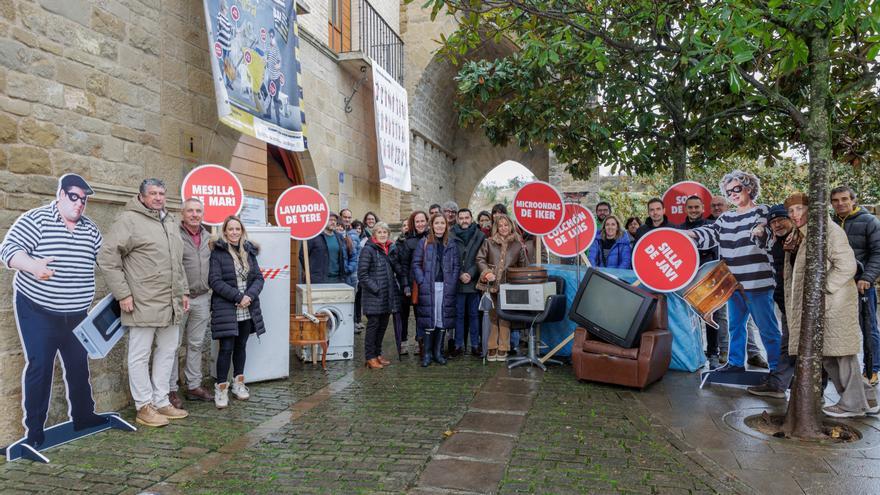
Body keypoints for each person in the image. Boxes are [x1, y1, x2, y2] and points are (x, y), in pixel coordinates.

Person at [0, 174, 109, 447]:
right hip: (37, 308)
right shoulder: (35, 220)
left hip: (75, 312)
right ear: (60, 194)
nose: (79, 204)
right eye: (74, 197)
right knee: (41, 365)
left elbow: (107, 259)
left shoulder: (90, 229)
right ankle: (34, 431)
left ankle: (83, 416)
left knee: (77, 364)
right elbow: (8, 250)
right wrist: (34, 266)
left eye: (84, 200)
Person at [99, 178, 190, 427]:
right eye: (153, 193)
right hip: (142, 301)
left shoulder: (169, 220)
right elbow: (107, 258)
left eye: (162, 193)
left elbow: (177, 262)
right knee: (139, 355)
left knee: (168, 350)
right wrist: (123, 294)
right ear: (141, 196)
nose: (158, 197)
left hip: (170, 302)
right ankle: (144, 406)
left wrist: (183, 292)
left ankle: (161, 401)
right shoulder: (129, 220)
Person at [781, 193, 877, 417]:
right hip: (822, 304)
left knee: (841, 355)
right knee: (830, 354)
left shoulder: (828, 230)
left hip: (834, 302)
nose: (794, 215)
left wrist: (822, 290)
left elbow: (846, 265)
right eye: (790, 211)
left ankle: (853, 404)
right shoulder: (801, 234)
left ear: (811, 210)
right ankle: (867, 399)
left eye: (799, 209)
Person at [686, 170, 780, 374]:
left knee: (767, 328)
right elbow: (710, 233)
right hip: (733, 283)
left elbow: (769, 230)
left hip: (758, 283)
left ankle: (777, 369)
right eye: (729, 192)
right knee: (735, 327)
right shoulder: (725, 218)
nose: (733, 194)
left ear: (749, 188)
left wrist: (762, 230)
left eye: (737, 189)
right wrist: (691, 234)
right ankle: (735, 363)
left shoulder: (762, 211)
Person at [208, 216, 265, 409]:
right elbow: (214, 281)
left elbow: (258, 278)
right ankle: (221, 389)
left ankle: (238, 384)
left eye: (237, 229)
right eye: (230, 229)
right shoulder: (218, 252)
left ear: (242, 231)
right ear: (224, 232)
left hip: (247, 308)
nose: (234, 232)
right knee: (226, 349)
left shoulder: (249, 251)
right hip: (227, 308)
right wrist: (238, 297)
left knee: (241, 346)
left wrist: (248, 296)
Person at [831, 185, 880, 385]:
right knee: (838, 329)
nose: (840, 203)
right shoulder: (830, 222)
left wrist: (867, 277)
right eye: (835, 200)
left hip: (861, 284)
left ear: (853, 200)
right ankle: (841, 374)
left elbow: (878, 252)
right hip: (837, 286)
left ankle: (871, 371)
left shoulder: (869, 221)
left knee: (868, 328)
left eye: (844, 199)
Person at [747, 205, 797, 398]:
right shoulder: (778, 244)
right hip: (786, 303)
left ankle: (855, 395)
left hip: (802, 304)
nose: (777, 225)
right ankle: (778, 385)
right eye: (773, 222)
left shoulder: (800, 239)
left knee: (818, 353)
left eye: (780, 220)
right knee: (787, 345)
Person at [170, 198, 214, 408]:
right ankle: (169, 389)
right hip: (180, 298)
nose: (195, 214)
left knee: (195, 344)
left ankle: (193, 385)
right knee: (172, 345)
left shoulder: (208, 237)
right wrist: (181, 292)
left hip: (203, 297)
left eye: (198, 211)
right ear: (182, 214)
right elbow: (173, 266)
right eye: (190, 211)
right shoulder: (174, 235)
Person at [476, 214, 528, 362]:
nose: (503, 228)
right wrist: (486, 272)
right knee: (492, 317)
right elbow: (480, 259)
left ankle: (503, 347)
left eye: (506, 225)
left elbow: (522, 266)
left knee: (505, 317)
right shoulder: (489, 242)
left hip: (508, 287)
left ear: (510, 226)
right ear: (496, 227)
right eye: (500, 226)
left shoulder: (518, 245)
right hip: (490, 286)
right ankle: (491, 346)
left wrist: (517, 283)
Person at [413, 214, 460, 367]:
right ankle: (426, 354)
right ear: (431, 225)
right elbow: (416, 264)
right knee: (429, 319)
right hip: (429, 287)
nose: (440, 226)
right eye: (437, 223)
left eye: (442, 223)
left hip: (445, 287)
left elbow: (456, 266)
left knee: (441, 318)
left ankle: (438, 352)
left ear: (446, 225)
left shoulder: (451, 244)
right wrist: (422, 281)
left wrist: (452, 282)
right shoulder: (424, 242)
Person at [358, 222, 401, 369]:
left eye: (385, 232)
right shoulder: (368, 250)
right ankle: (370, 357)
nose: (382, 234)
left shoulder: (387, 249)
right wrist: (376, 289)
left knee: (382, 326)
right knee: (373, 327)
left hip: (387, 296)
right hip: (374, 297)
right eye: (379, 232)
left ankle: (377, 354)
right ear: (374, 234)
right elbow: (362, 275)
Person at [391, 211, 429, 355]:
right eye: (417, 221)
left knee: (421, 314)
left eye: (422, 221)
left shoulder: (431, 238)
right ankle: (403, 341)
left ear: (426, 221)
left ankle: (421, 341)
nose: (420, 224)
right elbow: (405, 265)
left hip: (425, 283)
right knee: (404, 314)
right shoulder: (407, 241)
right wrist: (405, 284)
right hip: (409, 282)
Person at [452, 208, 486, 356]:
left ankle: (475, 345)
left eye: (467, 217)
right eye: (461, 218)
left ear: (472, 219)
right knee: (458, 315)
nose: (464, 220)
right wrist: (459, 274)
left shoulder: (480, 235)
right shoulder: (451, 235)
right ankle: (458, 345)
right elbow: (450, 258)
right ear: (458, 219)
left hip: (473, 282)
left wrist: (470, 274)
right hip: (458, 282)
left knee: (473, 315)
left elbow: (482, 257)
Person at [298, 212, 351, 284]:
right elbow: (302, 255)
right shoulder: (314, 236)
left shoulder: (339, 237)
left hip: (337, 279)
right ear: (323, 221)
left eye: (335, 220)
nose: (333, 222)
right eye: (330, 220)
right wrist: (312, 271)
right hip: (318, 279)